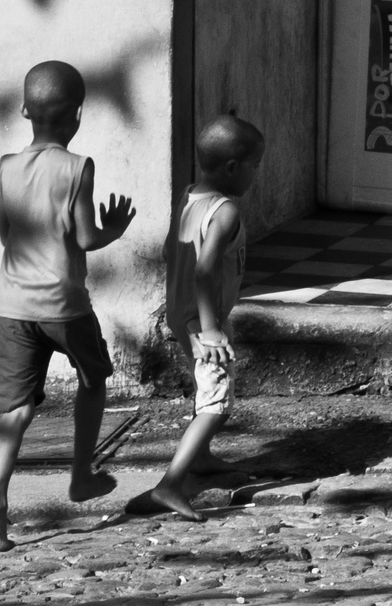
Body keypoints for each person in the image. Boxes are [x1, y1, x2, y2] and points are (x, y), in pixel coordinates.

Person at [0, 60, 136, 552]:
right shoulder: (78, 167)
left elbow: (7, 235)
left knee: (15, 410)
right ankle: (81, 474)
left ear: (25, 110)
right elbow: (85, 237)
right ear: (78, 115)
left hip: (13, 308)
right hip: (65, 306)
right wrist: (116, 228)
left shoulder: (6, 166)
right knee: (92, 379)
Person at [128, 114, 265, 521]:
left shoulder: (188, 197)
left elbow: (173, 251)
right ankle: (170, 485)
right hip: (202, 322)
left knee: (204, 390)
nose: (256, 175)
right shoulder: (224, 213)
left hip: (181, 313)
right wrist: (209, 328)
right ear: (232, 168)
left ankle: (202, 459)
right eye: (255, 166)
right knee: (216, 403)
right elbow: (205, 270)